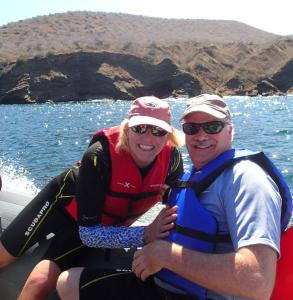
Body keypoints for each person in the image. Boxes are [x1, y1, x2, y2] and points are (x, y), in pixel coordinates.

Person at [56, 94, 291, 300]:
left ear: (230, 130)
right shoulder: (195, 175)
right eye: (191, 128)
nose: (201, 135)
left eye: (213, 127)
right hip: (166, 285)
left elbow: (256, 282)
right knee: (69, 282)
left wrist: (164, 255)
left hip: (191, 293)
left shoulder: (247, 180)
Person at [0, 96, 184, 300]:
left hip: (101, 223)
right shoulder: (99, 155)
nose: (148, 138)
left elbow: (176, 211)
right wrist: (145, 234)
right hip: (63, 205)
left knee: (41, 284)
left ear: (168, 135)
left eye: (158, 131)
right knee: (5, 258)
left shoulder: (172, 161)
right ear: (127, 128)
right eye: (140, 128)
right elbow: (89, 235)